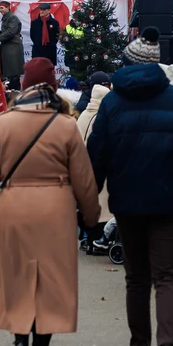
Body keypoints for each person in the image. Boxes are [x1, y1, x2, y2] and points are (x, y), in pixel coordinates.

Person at [86, 32, 173, 346]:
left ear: (128, 64)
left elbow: (96, 157)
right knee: (167, 278)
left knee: (136, 279)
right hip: (170, 203)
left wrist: (88, 203)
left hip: (128, 203)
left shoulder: (111, 104)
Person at [0, 58, 99, 346]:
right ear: (52, 87)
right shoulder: (65, 125)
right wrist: (91, 216)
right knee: (49, 283)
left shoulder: (2, 124)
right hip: (55, 209)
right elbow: (84, 181)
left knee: (17, 277)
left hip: (13, 208)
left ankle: (18, 345)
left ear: (25, 86)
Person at [77, 71, 114, 247]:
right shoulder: (103, 117)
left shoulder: (84, 114)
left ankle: (87, 238)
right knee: (102, 205)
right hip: (100, 167)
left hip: (83, 167)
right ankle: (96, 239)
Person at [0, 0, 24, 87]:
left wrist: (0, 37)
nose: (0, 10)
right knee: (10, 71)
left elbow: (11, 31)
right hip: (9, 46)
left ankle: (15, 89)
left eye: (2, 8)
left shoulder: (12, 18)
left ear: (8, 8)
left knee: (13, 71)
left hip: (12, 47)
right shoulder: (7, 18)